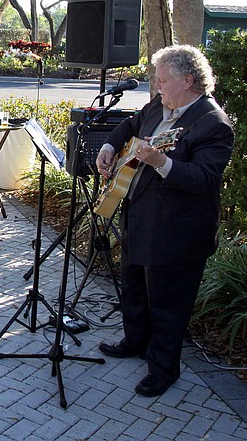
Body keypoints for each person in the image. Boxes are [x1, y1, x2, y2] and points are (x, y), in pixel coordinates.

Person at [95, 45, 234, 398]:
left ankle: (163, 369)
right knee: (135, 288)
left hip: (178, 231)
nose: (156, 88)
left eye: (163, 80)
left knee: (168, 305)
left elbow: (202, 179)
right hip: (140, 216)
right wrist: (110, 146)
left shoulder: (214, 124)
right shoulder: (162, 103)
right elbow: (131, 123)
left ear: (187, 81)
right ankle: (134, 341)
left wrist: (160, 162)